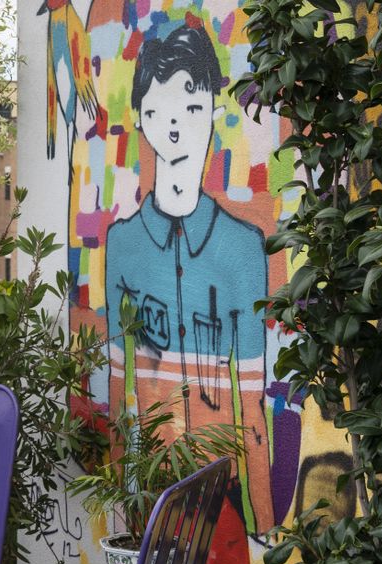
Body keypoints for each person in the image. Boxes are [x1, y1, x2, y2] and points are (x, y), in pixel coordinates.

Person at [104, 25, 273, 532]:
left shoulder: (243, 246)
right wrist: (123, 507)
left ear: (214, 115)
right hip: (152, 499)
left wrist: (260, 523)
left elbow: (251, 401)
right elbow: (120, 388)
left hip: (223, 498)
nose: (175, 128)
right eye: (160, 112)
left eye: (192, 110)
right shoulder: (123, 245)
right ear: (141, 118)